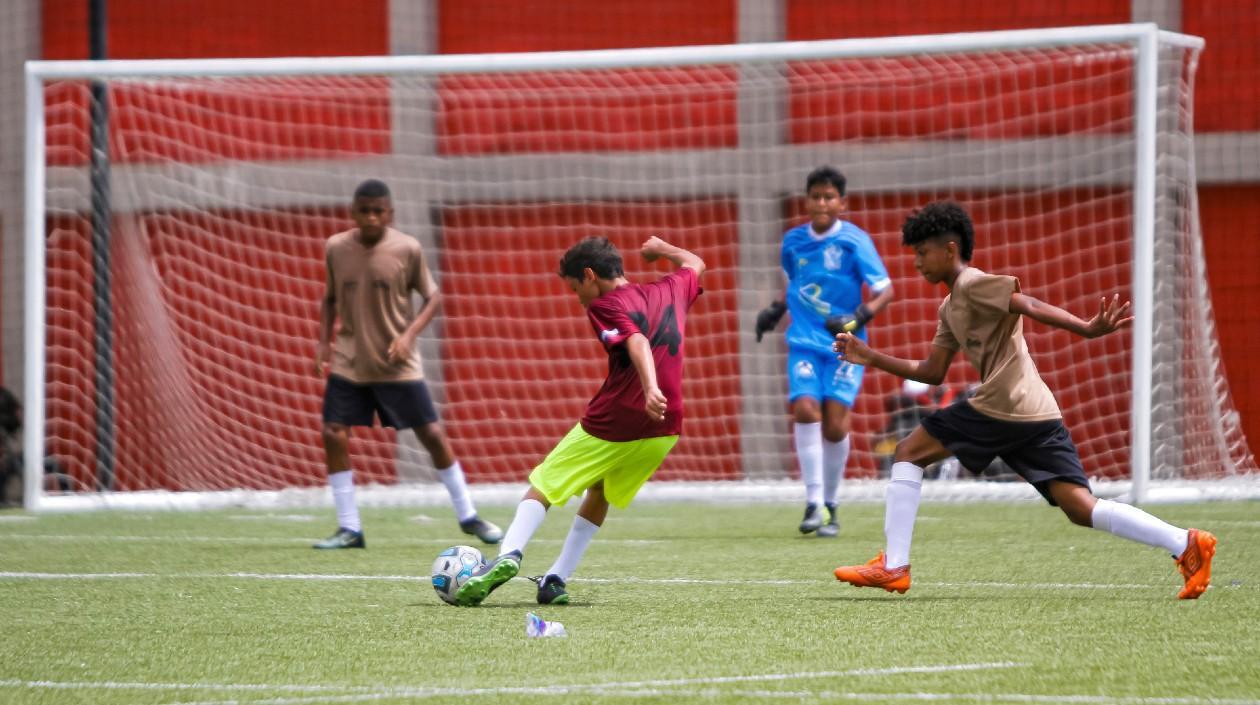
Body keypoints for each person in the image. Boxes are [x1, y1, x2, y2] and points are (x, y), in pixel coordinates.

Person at [831, 200, 1216, 599]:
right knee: (1080, 508)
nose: (916, 263)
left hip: (1002, 406)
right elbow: (932, 372)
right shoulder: (950, 308)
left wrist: (1085, 328)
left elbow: (1027, 304)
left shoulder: (973, 283)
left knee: (909, 451)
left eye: (923, 252)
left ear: (950, 250)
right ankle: (1186, 543)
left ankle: (894, 566)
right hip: (1036, 412)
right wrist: (870, 356)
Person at [453, 235, 705, 606]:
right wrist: (662, 250)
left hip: (621, 415)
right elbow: (695, 263)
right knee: (599, 490)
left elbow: (635, 341)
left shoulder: (606, 304)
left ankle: (507, 555)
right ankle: (555, 579)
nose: (579, 298)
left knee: (544, 482)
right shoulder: (671, 288)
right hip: (665, 426)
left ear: (589, 275)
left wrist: (649, 387)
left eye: (575, 289)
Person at [312, 179, 501, 549]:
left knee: (431, 435)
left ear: (389, 213)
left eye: (378, 211)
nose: (370, 217)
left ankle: (469, 516)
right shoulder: (336, 248)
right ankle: (350, 527)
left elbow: (433, 298)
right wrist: (323, 342)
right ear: (352, 212)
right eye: (363, 210)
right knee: (333, 431)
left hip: (397, 364)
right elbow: (330, 299)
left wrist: (408, 335)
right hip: (350, 360)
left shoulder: (407, 248)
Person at [753, 166, 894, 537]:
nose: (822, 202)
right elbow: (795, 286)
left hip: (844, 345)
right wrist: (775, 311)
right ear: (807, 200)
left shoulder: (854, 241)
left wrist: (858, 316)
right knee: (803, 409)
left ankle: (832, 504)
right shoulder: (792, 242)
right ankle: (813, 503)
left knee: (834, 427)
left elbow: (885, 289)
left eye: (829, 196)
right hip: (803, 341)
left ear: (842, 203)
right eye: (816, 196)